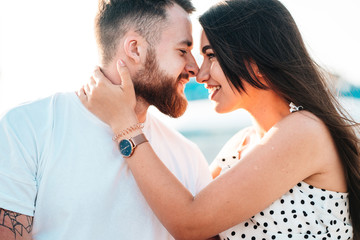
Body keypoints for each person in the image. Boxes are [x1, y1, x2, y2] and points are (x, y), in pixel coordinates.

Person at [80, 0, 360, 239]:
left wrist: (123, 122)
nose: (200, 75)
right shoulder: (241, 144)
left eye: (210, 56)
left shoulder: (304, 131)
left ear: (256, 62)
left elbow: (190, 222)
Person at [0, 0, 214, 239]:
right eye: (183, 51)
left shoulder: (188, 154)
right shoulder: (26, 128)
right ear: (135, 49)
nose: (194, 67)